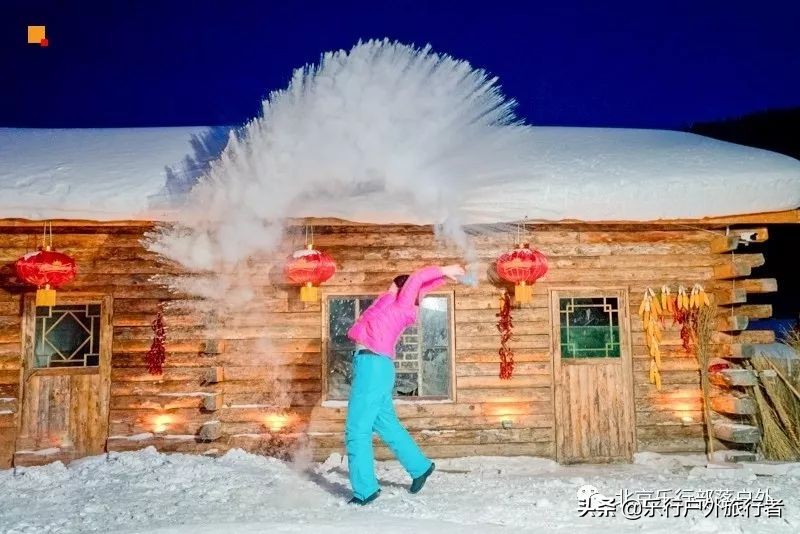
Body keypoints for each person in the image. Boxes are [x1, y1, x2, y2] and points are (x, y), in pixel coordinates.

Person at [344, 264, 466, 505]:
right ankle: (419, 467)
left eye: (395, 286)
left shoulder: (401, 306)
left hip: (373, 366)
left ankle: (365, 490)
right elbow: (418, 284)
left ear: (402, 290)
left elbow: (418, 278)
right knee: (385, 423)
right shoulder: (391, 304)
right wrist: (439, 279)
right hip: (375, 366)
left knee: (357, 429)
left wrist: (444, 269)